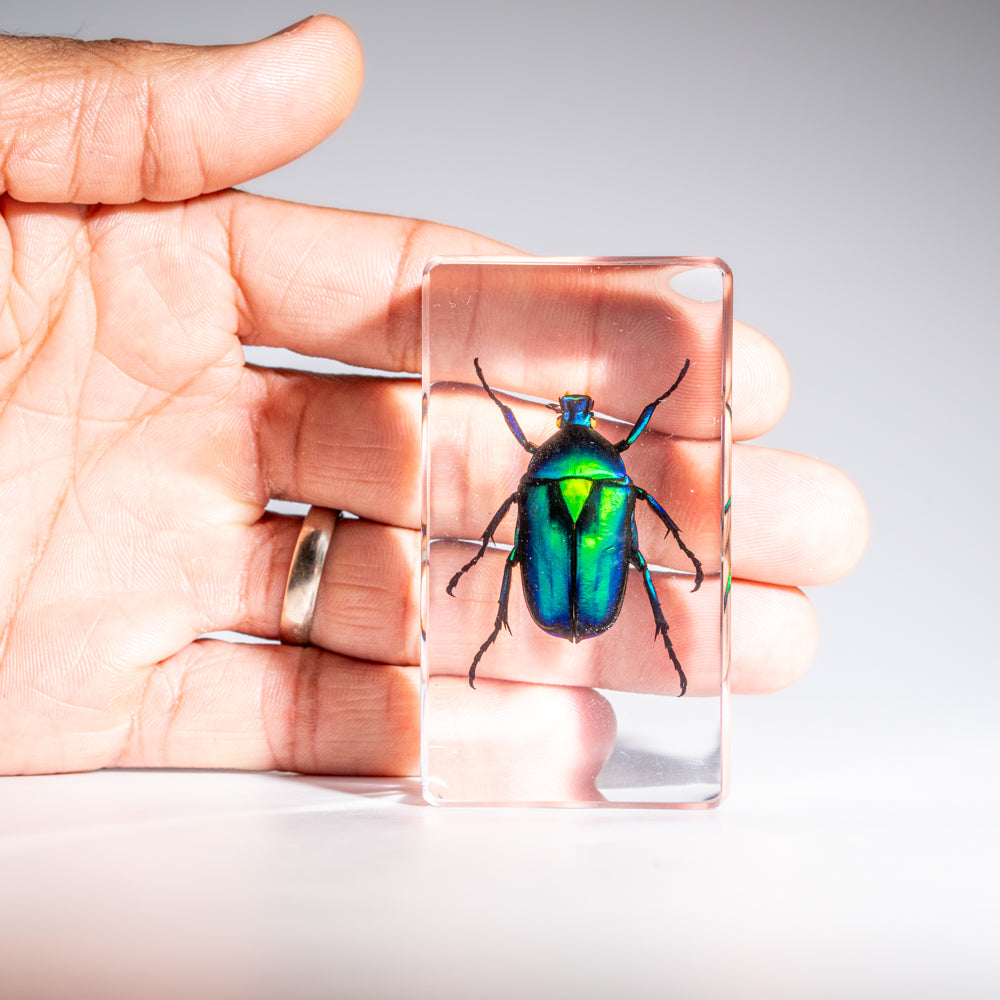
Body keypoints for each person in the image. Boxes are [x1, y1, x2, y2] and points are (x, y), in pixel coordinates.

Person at [0, 16, 868, 777]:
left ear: (555, 438)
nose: (575, 418)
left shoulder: (540, 474)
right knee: (642, 558)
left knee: (559, 555)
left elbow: (501, 534)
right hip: (586, 580)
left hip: (552, 576)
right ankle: (656, 640)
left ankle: (525, 634)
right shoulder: (613, 466)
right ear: (598, 435)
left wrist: (497, 408)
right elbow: (631, 496)